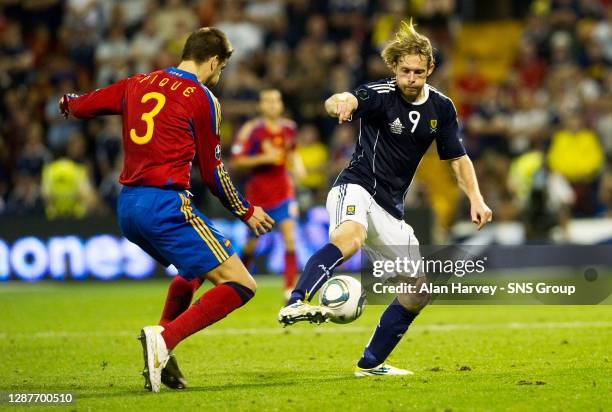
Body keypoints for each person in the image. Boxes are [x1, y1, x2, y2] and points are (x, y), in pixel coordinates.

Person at [59, 27, 274, 393]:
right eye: (221, 67)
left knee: (194, 268)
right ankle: (165, 338)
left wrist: (67, 101)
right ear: (213, 61)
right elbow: (213, 171)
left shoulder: (137, 82)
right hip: (166, 204)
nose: (219, 75)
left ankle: (163, 356)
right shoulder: (202, 98)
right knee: (240, 283)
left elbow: (80, 105)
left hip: (128, 208)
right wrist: (246, 210)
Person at [278, 20, 493, 376]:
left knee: (417, 292)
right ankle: (297, 300)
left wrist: (476, 197)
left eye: (419, 72)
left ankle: (371, 364)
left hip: (391, 209)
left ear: (430, 70)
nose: (411, 78)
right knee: (349, 238)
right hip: (356, 187)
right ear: (393, 68)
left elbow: (457, 158)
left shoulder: (441, 108)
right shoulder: (378, 94)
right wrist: (340, 105)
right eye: (405, 71)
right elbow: (341, 98)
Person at [231, 89, 304, 299]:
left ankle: (289, 289)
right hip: (258, 196)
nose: (272, 105)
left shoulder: (290, 128)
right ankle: (239, 281)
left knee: (290, 239)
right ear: (260, 106)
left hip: (284, 192)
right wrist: (264, 158)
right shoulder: (250, 130)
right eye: (267, 101)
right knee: (251, 245)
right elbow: (237, 161)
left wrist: (298, 167)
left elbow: (292, 152)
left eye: (276, 101)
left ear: (281, 105)